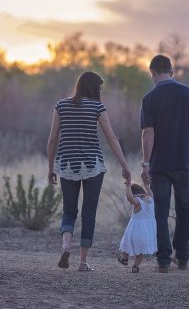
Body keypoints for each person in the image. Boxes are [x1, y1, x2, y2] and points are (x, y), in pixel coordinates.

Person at [47, 71, 131, 271]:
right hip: (93, 165)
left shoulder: (61, 106)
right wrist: (125, 165)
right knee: (89, 213)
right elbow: (111, 138)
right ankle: (83, 262)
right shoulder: (97, 107)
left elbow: (52, 140)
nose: (100, 91)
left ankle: (66, 246)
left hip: (67, 164)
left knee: (69, 210)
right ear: (93, 88)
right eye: (99, 88)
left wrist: (51, 167)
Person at [140, 55, 189, 273]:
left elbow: (147, 133)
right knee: (185, 210)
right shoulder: (188, 93)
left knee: (160, 213)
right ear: (171, 71)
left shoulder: (149, 98)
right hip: (185, 163)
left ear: (152, 73)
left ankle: (162, 260)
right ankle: (182, 257)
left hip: (160, 165)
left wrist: (145, 163)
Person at [118, 181, 157, 273]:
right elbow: (150, 192)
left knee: (127, 243)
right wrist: (147, 185)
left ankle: (124, 258)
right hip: (147, 232)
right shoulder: (151, 199)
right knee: (141, 250)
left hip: (135, 230)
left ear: (134, 194)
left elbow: (129, 198)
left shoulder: (137, 202)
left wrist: (128, 187)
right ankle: (135, 266)